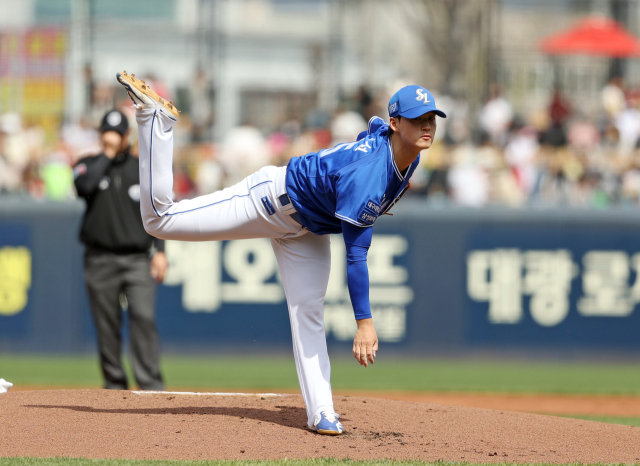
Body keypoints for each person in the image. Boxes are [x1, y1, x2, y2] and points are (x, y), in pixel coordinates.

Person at [116, 71, 445, 434]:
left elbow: (372, 126)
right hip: (269, 200)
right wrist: (365, 324)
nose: (427, 126)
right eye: (417, 119)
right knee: (159, 221)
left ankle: (322, 412)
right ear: (397, 124)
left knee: (308, 311)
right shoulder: (368, 176)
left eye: (430, 119)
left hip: (308, 230)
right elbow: (355, 256)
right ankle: (154, 121)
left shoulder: (406, 151)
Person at [73, 109, 168, 391]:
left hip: (138, 259)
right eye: (107, 132)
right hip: (99, 259)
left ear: (127, 135)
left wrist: (160, 251)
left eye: (117, 133)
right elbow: (84, 186)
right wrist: (107, 155)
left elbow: (159, 212)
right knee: (107, 324)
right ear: (101, 135)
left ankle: (150, 385)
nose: (112, 137)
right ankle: (114, 384)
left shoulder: (141, 168)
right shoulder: (88, 164)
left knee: (144, 318)